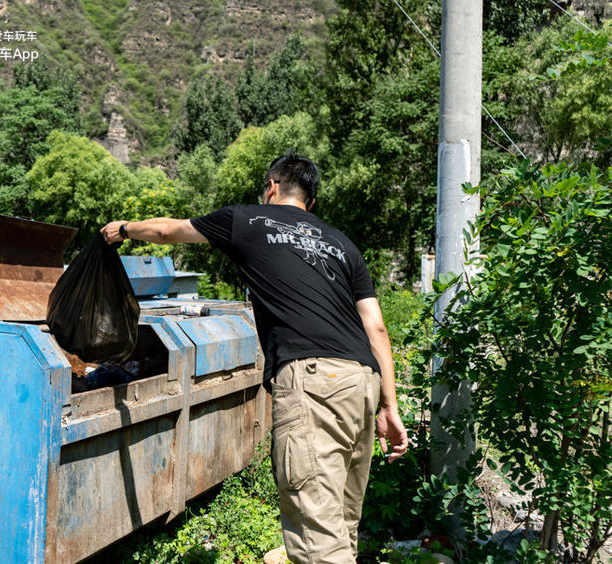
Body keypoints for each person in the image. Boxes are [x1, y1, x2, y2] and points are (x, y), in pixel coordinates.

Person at [101, 152, 408, 564]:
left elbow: (168, 231)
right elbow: (376, 328)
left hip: (313, 381)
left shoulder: (248, 220)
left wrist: (123, 229)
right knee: (339, 524)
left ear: (272, 187)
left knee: (317, 536)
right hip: (362, 384)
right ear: (310, 202)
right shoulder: (342, 244)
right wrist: (390, 405)